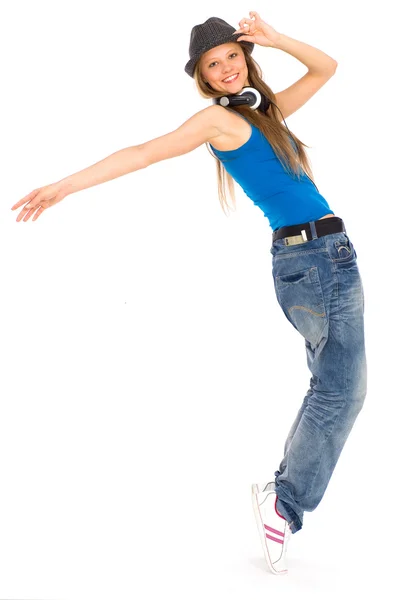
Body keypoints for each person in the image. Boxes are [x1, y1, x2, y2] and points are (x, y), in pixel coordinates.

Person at [11, 12, 367, 576]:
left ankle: (283, 495)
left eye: (231, 56)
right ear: (202, 78)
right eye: (213, 65)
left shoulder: (264, 113)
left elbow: (327, 67)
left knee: (334, 386)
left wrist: (274, 39)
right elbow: (143, 152)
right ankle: (285, 501)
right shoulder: (217, 123)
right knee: (340, 391)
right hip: (312, 260)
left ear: (245, 59)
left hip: (330, 256)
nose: (226, 68)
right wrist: (63, 187)